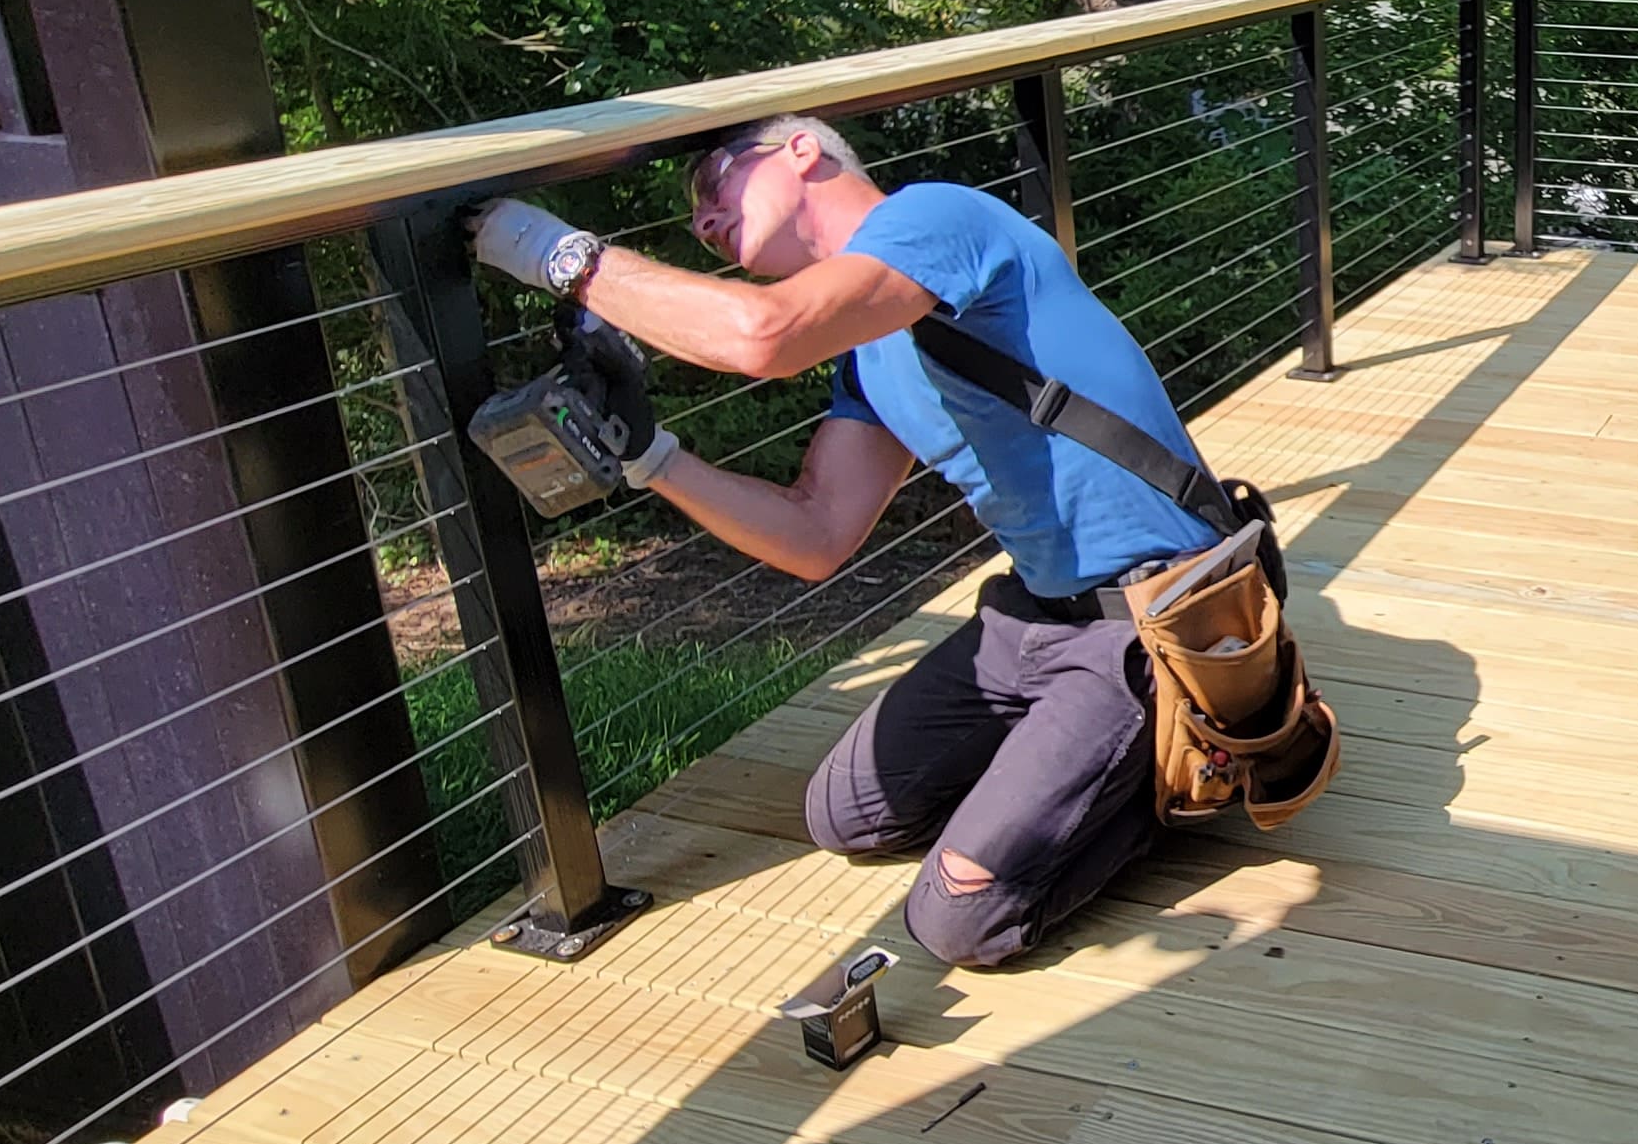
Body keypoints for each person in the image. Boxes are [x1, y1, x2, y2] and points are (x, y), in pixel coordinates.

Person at [465, 114, 1220, 968]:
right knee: (848, 813)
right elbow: (816, 532)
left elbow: (764, 335)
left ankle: (1185, 761)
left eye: (715, 179)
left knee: (958, 922)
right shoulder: (866, 352)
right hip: (1034, 614)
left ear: (801, 150)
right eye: (697, 217)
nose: (704, 220)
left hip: (1153, 617)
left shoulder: (940, 216)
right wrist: (652, 459)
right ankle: (1078, 764)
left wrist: (549, 251)